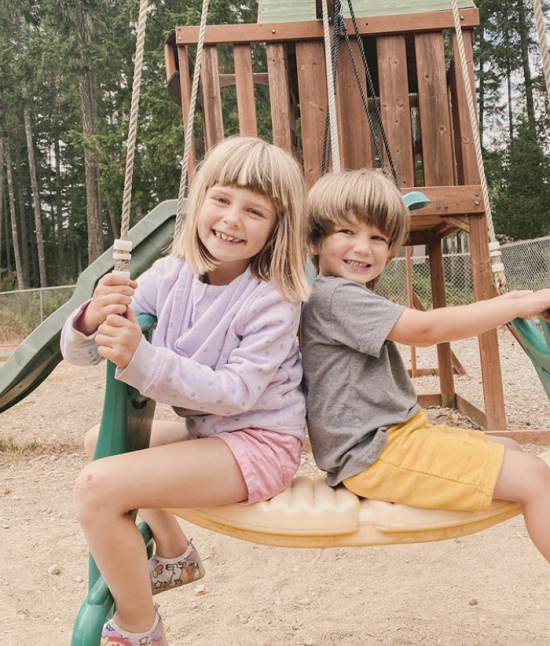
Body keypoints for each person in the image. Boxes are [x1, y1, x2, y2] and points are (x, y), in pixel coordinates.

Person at [61, 136, 311, 646]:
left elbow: (238, 391)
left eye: (254, 210)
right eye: (221, 199)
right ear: (200, 202)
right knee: (98, 443)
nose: (232, 219)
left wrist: (141, 356)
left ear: (277, 226)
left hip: (260, 445)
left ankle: (139, 627)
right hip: (211, 435)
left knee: (97, 487)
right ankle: (175, 554)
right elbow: (83, 356)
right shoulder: (171, 275)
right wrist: (91, 318)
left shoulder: (272, 299)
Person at [300, 168, 550, 565]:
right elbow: (426, 329)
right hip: (373, 453)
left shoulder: (343, 294)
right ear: (315, 240)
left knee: (511, 448)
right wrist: (515, 306)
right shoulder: (334, 297)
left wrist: (514, 299)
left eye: (377, 237)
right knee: (535, 477)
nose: (363, 248)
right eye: (347, 232)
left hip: (396, 437)